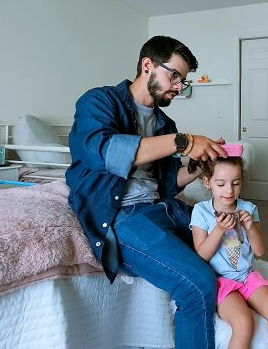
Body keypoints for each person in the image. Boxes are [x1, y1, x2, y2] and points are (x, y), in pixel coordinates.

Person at [65, 36, 228, 349]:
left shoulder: (165, 123)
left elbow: (168, 184)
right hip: (122, 214)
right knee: (197, 285)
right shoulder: (99, 101)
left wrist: (197, 167)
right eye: (175, 76)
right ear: (147, 66)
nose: (179, 87)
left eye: (184, 79)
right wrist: (185, 142)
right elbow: (103, 151)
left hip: (162, 207)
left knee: (230, 250)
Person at [190, 157, 268, 349]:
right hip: (219, 281)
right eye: (221, 184)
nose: (229, 190)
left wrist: (250, 228)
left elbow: (260, 251)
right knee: (244, 322)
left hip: (247, 277)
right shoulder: (201, 211)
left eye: (236, 183)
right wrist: (219, 230)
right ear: (208, 182)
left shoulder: (248, 208)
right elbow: (201, 256)